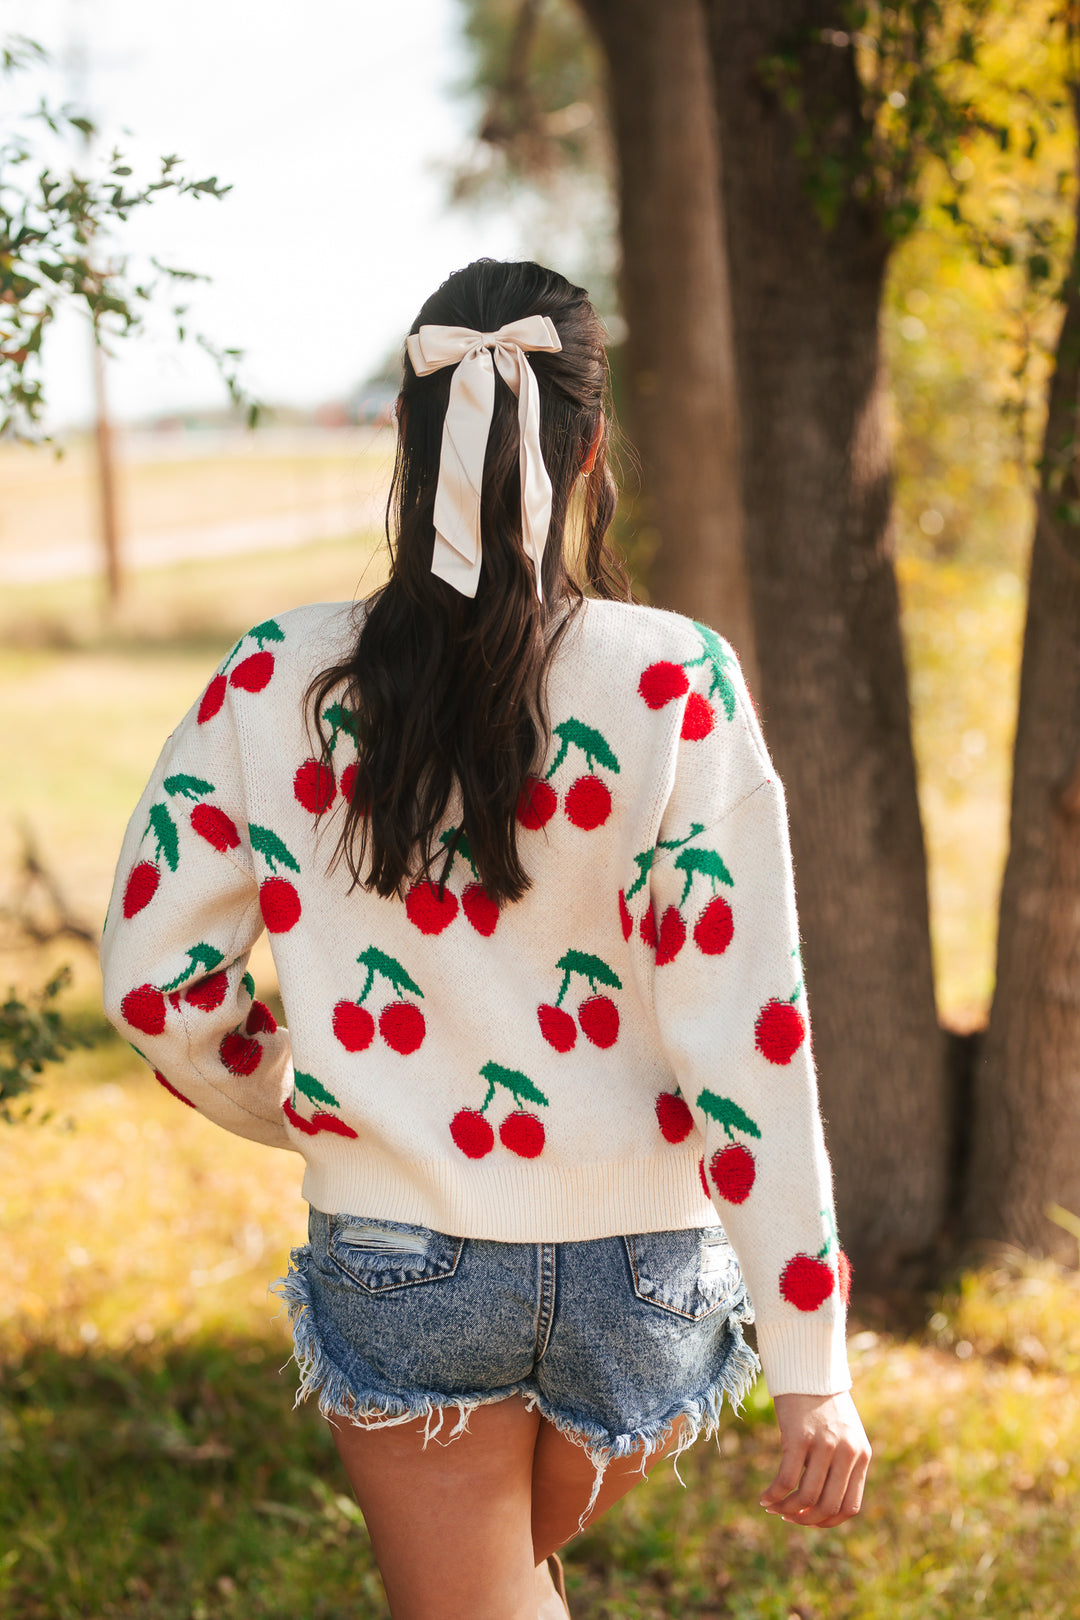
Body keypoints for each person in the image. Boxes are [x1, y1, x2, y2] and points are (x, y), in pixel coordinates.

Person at [101, 257, 871, 1620]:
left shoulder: (277, 676)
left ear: (406, 438)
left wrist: (308, 1099)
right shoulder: (676, 679)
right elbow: (752, 1029)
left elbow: (160, 984)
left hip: (404, 1259)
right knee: (512, 1593)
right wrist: (813, 1364)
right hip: (646, 1280)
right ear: (593, 448)